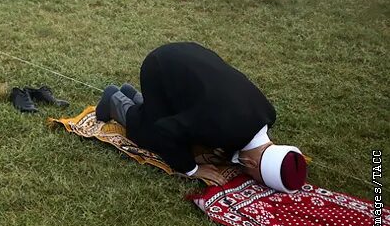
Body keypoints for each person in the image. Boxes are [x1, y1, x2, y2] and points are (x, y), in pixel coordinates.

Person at [95, 42, 307, 191]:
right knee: (151, 135)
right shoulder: (222, 129)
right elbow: (166, 130)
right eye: (253, 176)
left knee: (181, 122)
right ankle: (114, 100)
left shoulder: (268, 114)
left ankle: (133, 96)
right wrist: (192, 169)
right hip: (161, 67)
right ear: (251, 165)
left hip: (189, 57)